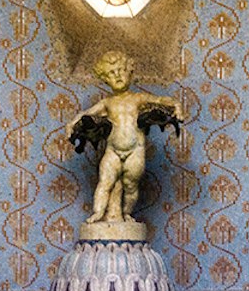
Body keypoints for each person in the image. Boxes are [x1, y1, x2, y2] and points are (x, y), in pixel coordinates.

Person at [68, 48, 185, 225]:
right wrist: (72, 124)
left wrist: (177, 106)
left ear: (129, 71)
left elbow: (160, 101)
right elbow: (86, 114)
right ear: (105, 79)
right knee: (105, 182)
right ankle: (98, 212)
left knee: (130, 186)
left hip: (135, 150)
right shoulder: (107, 102)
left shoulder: (137, 98)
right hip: (113, 150)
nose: (118, 76)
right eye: (111, 73)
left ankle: (126, 213)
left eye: (121, 71)